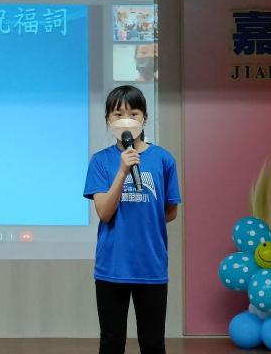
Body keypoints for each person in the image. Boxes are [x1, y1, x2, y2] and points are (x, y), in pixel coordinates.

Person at [83, 85, 181, 354]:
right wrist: (122, 172)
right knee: (111, 342)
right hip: (112, 266)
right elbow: (104, 212)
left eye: (133, 113)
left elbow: (170, 211)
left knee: (153, 343)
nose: (126, 120)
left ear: (145, 117)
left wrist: (144, 220)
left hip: (151, 265)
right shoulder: (100, 161)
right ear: (108, 120)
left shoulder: (163, 159)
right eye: (118, 114)